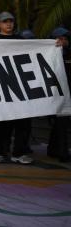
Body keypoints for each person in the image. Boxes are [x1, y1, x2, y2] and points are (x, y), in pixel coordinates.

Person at [0, 11, 33, 164]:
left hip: (19, 88)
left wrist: (55, 45)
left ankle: (19, 152)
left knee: (23, 122)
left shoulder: (21, 40)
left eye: (11, 21)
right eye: (5, 21)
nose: (8, 24)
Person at [48, 27, 70, 162]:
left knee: (61, 123)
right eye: (61, 38)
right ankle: (62, 151)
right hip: (57, 93)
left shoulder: (68, 52)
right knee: (61, 122)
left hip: (66, 91)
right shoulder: (50, 54)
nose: (64, 41)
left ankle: (53, 149)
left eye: (65, 38)